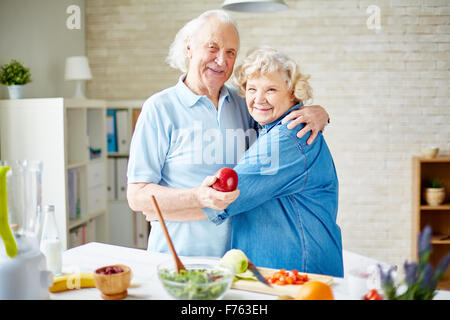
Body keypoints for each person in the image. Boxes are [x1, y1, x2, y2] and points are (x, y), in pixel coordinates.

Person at [126, 10, 330, 258]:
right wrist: (197, 197)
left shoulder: (244, 101)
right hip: (177, 259)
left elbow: (278, 125)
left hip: (236, 263)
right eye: (213, 48)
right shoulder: (159, 109)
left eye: (230, 52)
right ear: (189, 47)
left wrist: (318, 112)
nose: (221, 60)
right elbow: (137, 196)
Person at [198, 47, 344, 277]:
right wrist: (322, 112)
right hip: (289, 272)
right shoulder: (268, 127)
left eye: (271, 90)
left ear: (293, 93)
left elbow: (224, 198)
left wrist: (164, 207)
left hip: (299, 275)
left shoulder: (288, 137)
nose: (259, 99)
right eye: (252, 89)